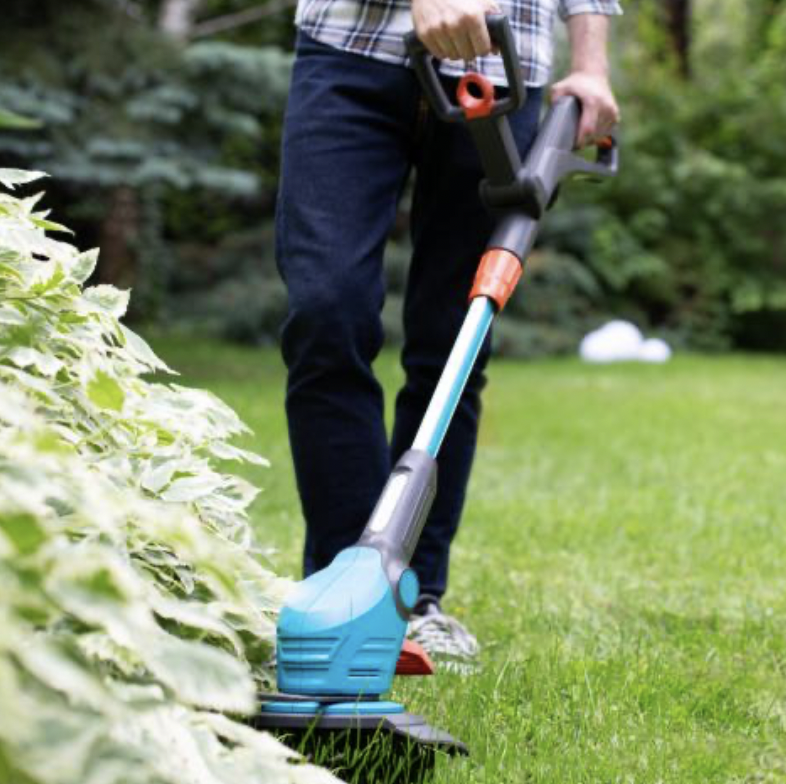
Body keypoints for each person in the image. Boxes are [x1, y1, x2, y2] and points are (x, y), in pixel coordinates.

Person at [275, 0, 621, 668]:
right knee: (326, 311)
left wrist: (591, 66)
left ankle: (413, 596)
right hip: (350, 49)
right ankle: (342, 589)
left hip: (502, 67)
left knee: (456, 340)